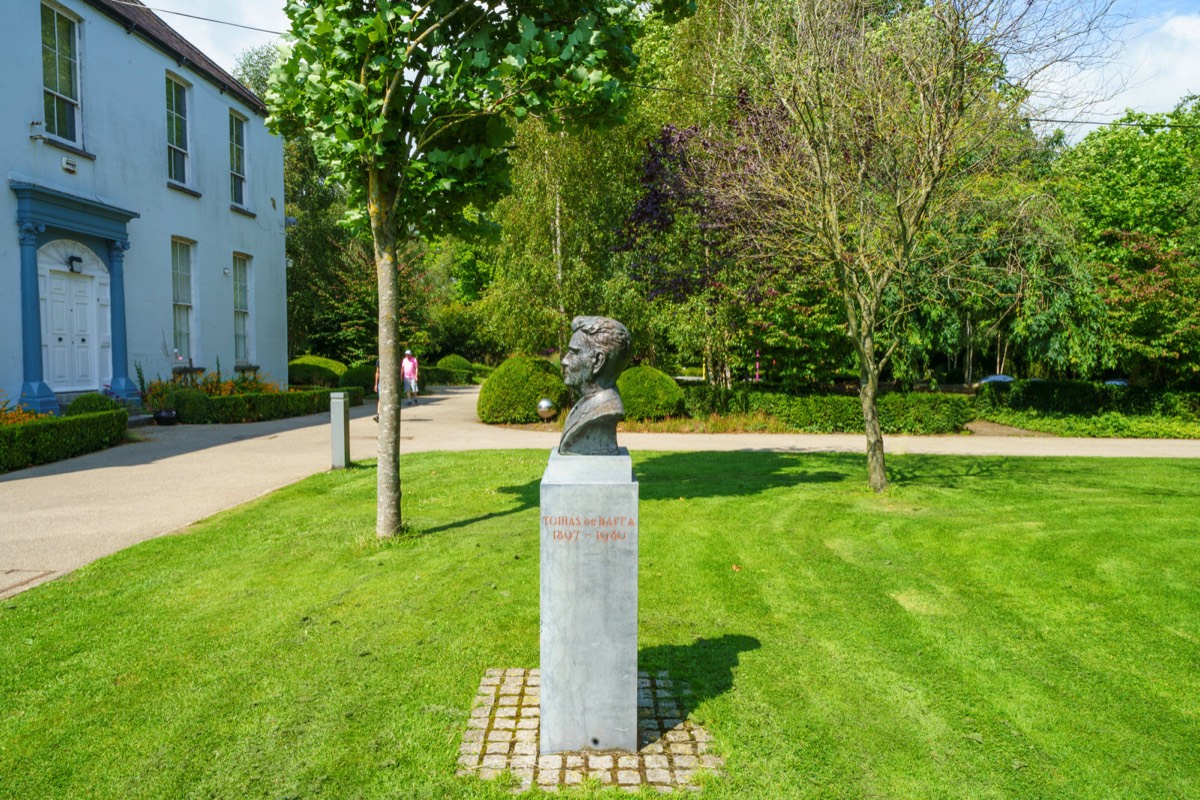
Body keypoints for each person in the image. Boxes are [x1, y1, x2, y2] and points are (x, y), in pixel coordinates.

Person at [558, 316, 631, 456]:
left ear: (598, 361)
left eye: (574, 352)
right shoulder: (586, 404)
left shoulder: (606, 410)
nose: (564, 360)